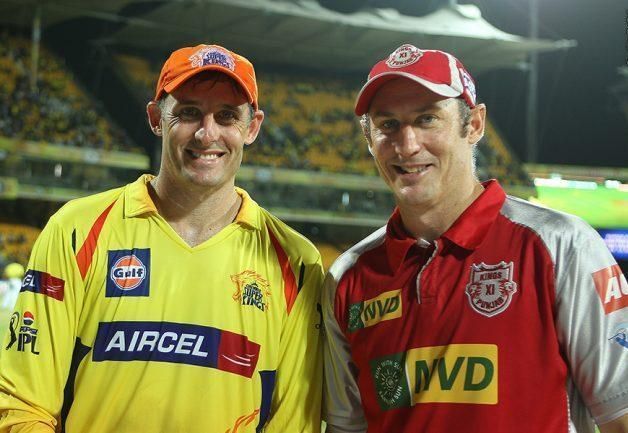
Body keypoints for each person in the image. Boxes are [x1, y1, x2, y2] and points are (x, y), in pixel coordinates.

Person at [0, 44, 324, 433]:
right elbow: (22, 405)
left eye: (227, 116)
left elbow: (294, 424)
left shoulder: (297, 262)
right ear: (156, 118)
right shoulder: (76, 229)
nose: (207, 133)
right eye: (188, 112)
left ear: (252, 127)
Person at [322, 44, 628, 433]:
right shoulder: (347, 277)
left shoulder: (560, 245)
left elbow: (621, 415)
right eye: (388, 125)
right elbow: (348, 428)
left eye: (427, 119)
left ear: (474, 125)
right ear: (368, 139)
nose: (408, 144)